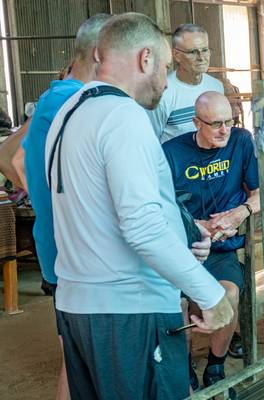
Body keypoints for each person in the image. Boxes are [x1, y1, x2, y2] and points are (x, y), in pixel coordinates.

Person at [44, 13, 233, 399]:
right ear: (145, 59)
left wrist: (181, 232)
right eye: (164, 68)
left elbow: (95, 207)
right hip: (131, 312)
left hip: (79, 307)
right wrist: (210, 294)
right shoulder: (124, 116)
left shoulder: (68, 115)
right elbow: (141, 227)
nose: (165, 82)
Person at [11, 14, 111, 400]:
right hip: (77, 257)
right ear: (102, 54)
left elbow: (13, 159)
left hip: (65, 252)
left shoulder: (56, 99)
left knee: (78, 362)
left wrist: (41, 194)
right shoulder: (74, 101)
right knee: (82, 365)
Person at [162, 91, 259, 391]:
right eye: (216, 123)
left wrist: (238, 214)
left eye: (229, 122)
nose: (224, 130)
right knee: (175, 304)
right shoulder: (170, 152)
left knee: (228, 294)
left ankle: (215, 366)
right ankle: (183, 365)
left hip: (220, 251)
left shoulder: (241, 141)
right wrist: (193, 225)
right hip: (182, 250)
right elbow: (157, 207)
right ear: (196, 123)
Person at [148, 23, 223, 143]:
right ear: (176, 55)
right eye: (193, 52)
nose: (201, 57)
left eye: (204, 50)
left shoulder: (216, 87)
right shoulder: (162, 92)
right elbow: (151, 140)